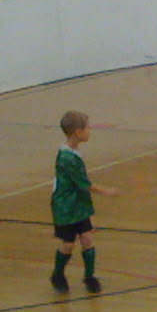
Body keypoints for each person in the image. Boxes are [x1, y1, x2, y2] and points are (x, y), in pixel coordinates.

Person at [49, 110, 116, 294]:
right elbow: (84, 184)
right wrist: (106, 191)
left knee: (87, 238)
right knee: (68, 244)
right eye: (87, 128)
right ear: (78, 132)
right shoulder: (67, 158)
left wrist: (89, 212)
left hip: (78, 204)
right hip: (65, 206)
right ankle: (57, 274)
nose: (90, 131)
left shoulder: (74, 152)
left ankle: (89, 277)